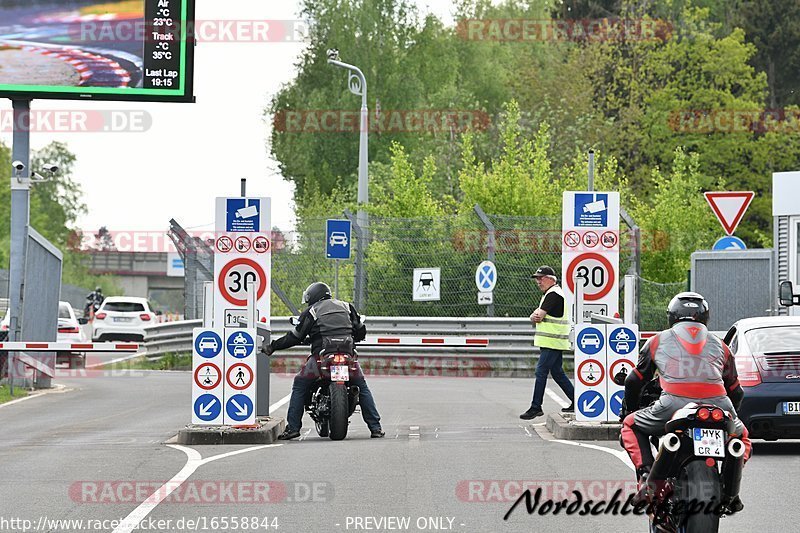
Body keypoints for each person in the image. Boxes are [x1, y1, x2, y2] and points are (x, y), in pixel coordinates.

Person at [620, 292, 750, 511]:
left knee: (630, 424)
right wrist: (731, 415)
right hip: (719, 407)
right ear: (705, 317)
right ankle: (730, 491)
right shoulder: (722, 346)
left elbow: (635, 380)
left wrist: (631, 409)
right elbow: (736, 391)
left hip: (672, 406)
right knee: (742, 436)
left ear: (672, 316)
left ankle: (646, 478)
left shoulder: (657, 340)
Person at [265, 282, 385, 440]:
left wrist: (273, 346)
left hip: (321, 357)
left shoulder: (312, 311)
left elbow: (295, 336)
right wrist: (355, 336)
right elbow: (361, 330)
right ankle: (375, 428)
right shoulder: (347, 307)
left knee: (300, 384)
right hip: (347, 356)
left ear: (313, 296)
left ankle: (293, 428)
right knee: (361, 386)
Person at [520, 266, 575, 420]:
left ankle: (536, 407)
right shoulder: (550, 294)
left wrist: (535, 315)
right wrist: (535, 315)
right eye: (537, 278)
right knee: (557, 372)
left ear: (551, 279)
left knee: (541, 371)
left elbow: (539, 315)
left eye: (541, 278)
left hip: (553, 341)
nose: (538, 281)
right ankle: (577, 401)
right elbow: (536, 315)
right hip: (552, 341)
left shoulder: (553, 295)